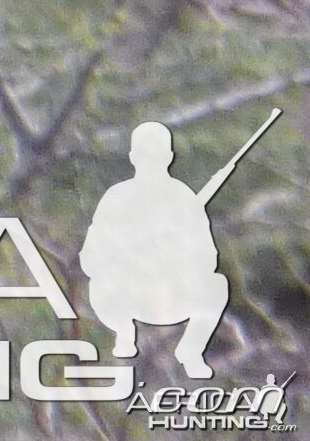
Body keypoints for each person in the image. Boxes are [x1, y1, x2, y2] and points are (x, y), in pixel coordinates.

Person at [82, 121, 232, 379]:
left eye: (158, 154)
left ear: (169, 157)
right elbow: (90, 258)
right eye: (145, 154)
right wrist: (128, 252)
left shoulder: (184, 198)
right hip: (126, 296)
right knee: (101, 284)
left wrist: (177, 249)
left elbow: (208, 257)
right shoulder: (116, 198)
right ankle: (124, 335)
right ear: (133, 157)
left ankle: (191, 351)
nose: (151, 161)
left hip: (171, 293)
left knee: (217, 286)